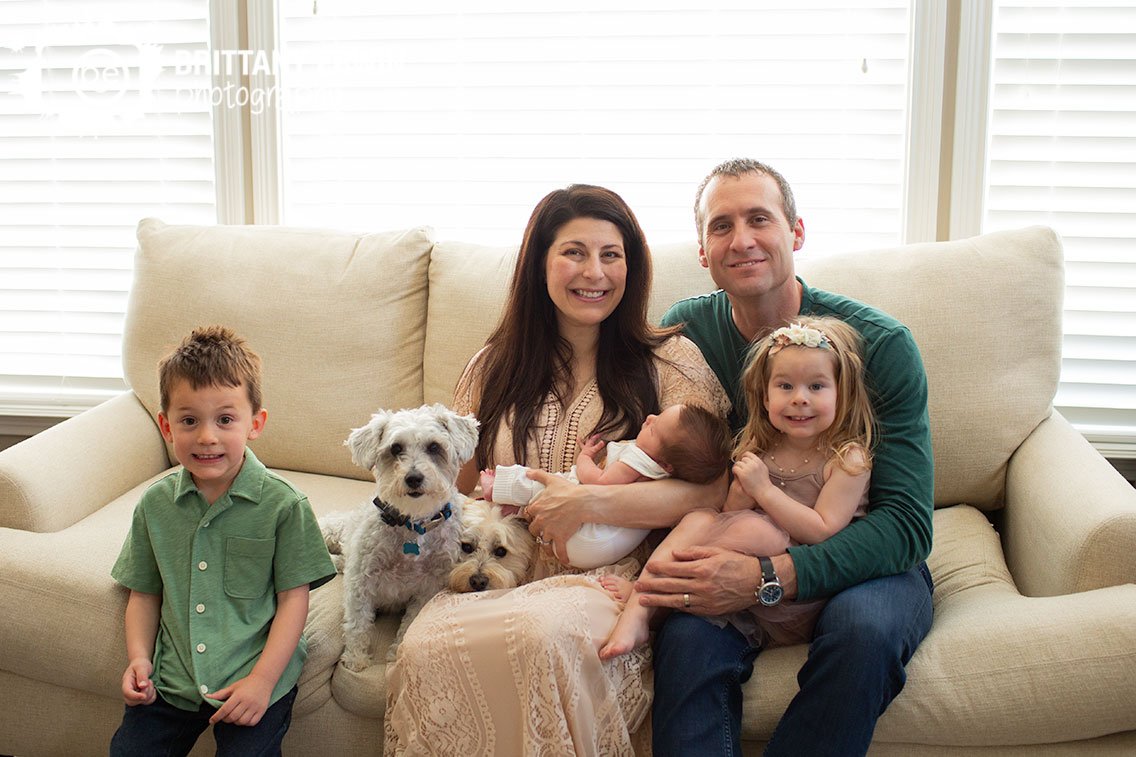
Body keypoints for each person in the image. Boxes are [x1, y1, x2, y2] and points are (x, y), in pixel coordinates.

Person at [383, 185, 731, 755]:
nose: (593, 272)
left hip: (607, 580)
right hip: (492, 568)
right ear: (539, 263)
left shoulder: (671, 360)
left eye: (611, 254)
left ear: (632, 266)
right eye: (573, 252)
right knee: (426, 647)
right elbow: (457, 483)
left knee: (542, 635)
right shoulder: (494, 364)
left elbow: (714, 492)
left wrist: (592, 503)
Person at [639, 158, 935, 755]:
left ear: (795, 232)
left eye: (759, 219)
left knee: (866, 632)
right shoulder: (687, 332)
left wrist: (769, 579)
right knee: (686, 640)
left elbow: (905, 524)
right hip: (741, 533)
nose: (742, 240)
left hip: (858, 546)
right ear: (701, 249)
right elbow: (667, 460)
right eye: (721, 226)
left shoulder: (879, 345)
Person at [109, 325, 336, 756]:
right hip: (172, 681)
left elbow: (294, 600)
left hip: (253, 678)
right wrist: (139, 658)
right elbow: (144, 593)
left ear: (256, 424)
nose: (207, 436)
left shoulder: (284, 506)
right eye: (189, 420)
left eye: (225, 420)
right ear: (166, 426)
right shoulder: (155, 506)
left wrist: (263, 682)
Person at [599, 316, 875, 660]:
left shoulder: (848, 460)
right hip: (738, 569)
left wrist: (763, 492)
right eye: (785, 386)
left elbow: (822, 531)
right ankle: (645, 599)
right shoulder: (759, 447)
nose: (800, 399)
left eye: (816, 387)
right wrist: (740, 497)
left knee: (752, 527)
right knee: (699, 518)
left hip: (798, 588)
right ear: (763, 397)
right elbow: (726, 517)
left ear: (842, 393)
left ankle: (658, 597)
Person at [480, 402, 732, 569]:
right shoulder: (667, 470)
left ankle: (499, 487)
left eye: (654, 430)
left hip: (591, 536)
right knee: (555, 489)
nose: (650, 418)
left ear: (667, 464)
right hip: (599, 549)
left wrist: (584, 459)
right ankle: (516, 510)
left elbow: (598, 482)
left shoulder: (639, 459)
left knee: (543, 482)